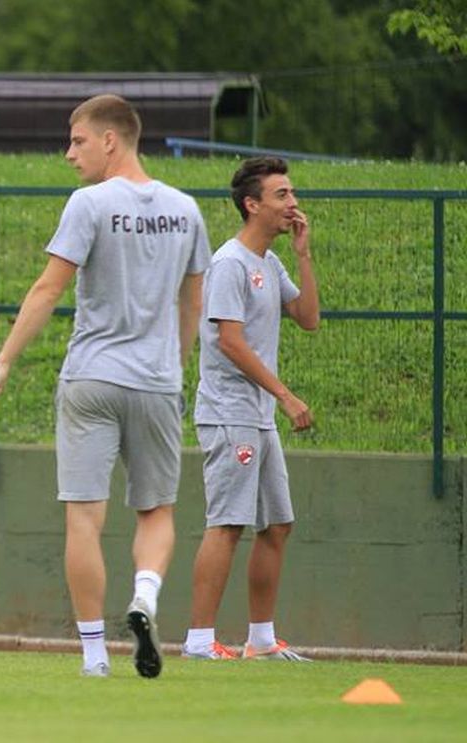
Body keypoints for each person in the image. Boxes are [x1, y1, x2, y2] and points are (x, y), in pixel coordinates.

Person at [0, 94, 208, 678]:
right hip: (156, 384)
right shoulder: (186, 210)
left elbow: (48, 288)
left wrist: (2, 362)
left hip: (92, 378)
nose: (68, 152)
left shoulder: (90, 203)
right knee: (156, 511)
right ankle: (146, 598)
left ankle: (95, 655)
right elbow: (192, 301)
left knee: (84, 518)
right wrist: (174, 368)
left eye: (77, 140)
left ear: (111, 139)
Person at [182, 157, 319, 662]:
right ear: (252, 204)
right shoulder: (229, 264)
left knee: (278, 525)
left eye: (292, 194)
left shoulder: (269, 263)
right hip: (229, 414)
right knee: (227, 524)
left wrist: (303, 255)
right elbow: (231, 343)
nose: (293, 204)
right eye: (282, 195)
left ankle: (261, 640)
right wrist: (285, 395)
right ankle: (199, 642)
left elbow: (308, 319)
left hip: (258, 416)